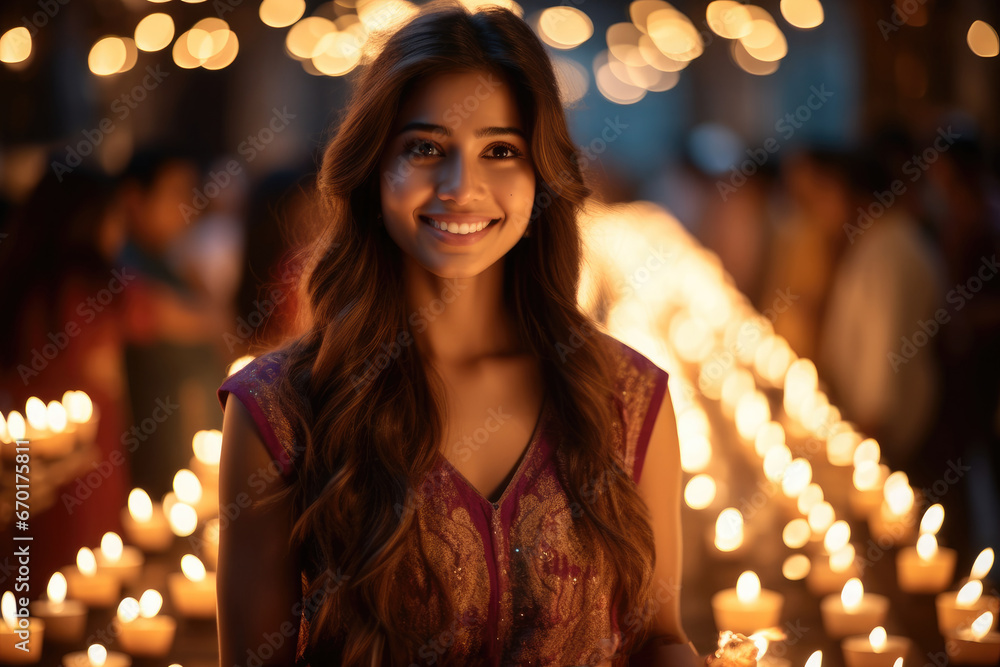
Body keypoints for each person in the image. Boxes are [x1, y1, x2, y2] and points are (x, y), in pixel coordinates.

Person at [215, 3, 697, 666]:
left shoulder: (627, 396)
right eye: (425, 148)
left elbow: (657, 635)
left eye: (500, 150)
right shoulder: (278, 408)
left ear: (541, 176)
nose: (460, 187)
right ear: (374, 169)